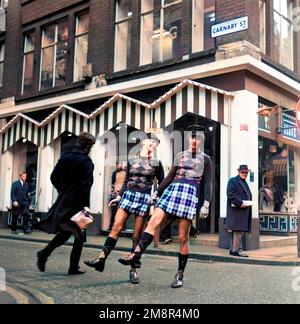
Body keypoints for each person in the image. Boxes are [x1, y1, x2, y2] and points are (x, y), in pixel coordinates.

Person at [118, 125, 212, 289]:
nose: (195, 140)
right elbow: (168, 177)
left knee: (183, 237)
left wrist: (206, 203)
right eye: (192, 137)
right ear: (189, 138)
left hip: (189, 194)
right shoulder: (180, 155)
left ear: (201, 140)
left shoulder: (206, 159)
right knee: (154, 221)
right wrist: (157, 193)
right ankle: (136, 255)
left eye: (198, 138)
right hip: (173, 189)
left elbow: (208, 182)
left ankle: (179, 274)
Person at [84, 133, 164, 285]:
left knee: (136, 236)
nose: (153, 145)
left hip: (144, 199)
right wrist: (119, 196)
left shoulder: (156, 163)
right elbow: (126, 180)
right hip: (128, 197)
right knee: (116, 227)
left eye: (155, 143)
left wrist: (156, 197)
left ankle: (133, 270)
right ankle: (101, 259)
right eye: (150, 142)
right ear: (143, 144)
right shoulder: (132, 160)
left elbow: (161, 182)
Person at [36, 132, 96, 276]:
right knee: (78, 234)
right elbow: (85, 186)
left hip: (64, 201)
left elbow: (53, 177)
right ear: (87, 146)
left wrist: (62, 190)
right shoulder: (86, 161)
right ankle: (68, 265)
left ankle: (46, 254)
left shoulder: (65, 157)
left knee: (68, 232)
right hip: (77, 204)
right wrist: (86, 206)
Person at [226, 165, 253, 258]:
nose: (245, 174)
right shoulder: (233, 181)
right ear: (238, 172)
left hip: (241, 211)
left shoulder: (243, 182)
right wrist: (240, 203)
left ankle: (234, 249)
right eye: (243, 172)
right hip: (237, 211)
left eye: (246, 172)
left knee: (238, 230)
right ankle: (237, 250)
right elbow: (230, 194)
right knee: (237, 230)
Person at [108, 162, 127, 230]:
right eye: (119, 164)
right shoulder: (115, 173)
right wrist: (112, 191)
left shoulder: (125, 173)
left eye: (122, 164)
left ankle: (122, 226)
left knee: (121, 210)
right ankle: (112, 226)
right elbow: (112, 184)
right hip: (116, 194)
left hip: (122, 193)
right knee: (114, 210)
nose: (121, 165)